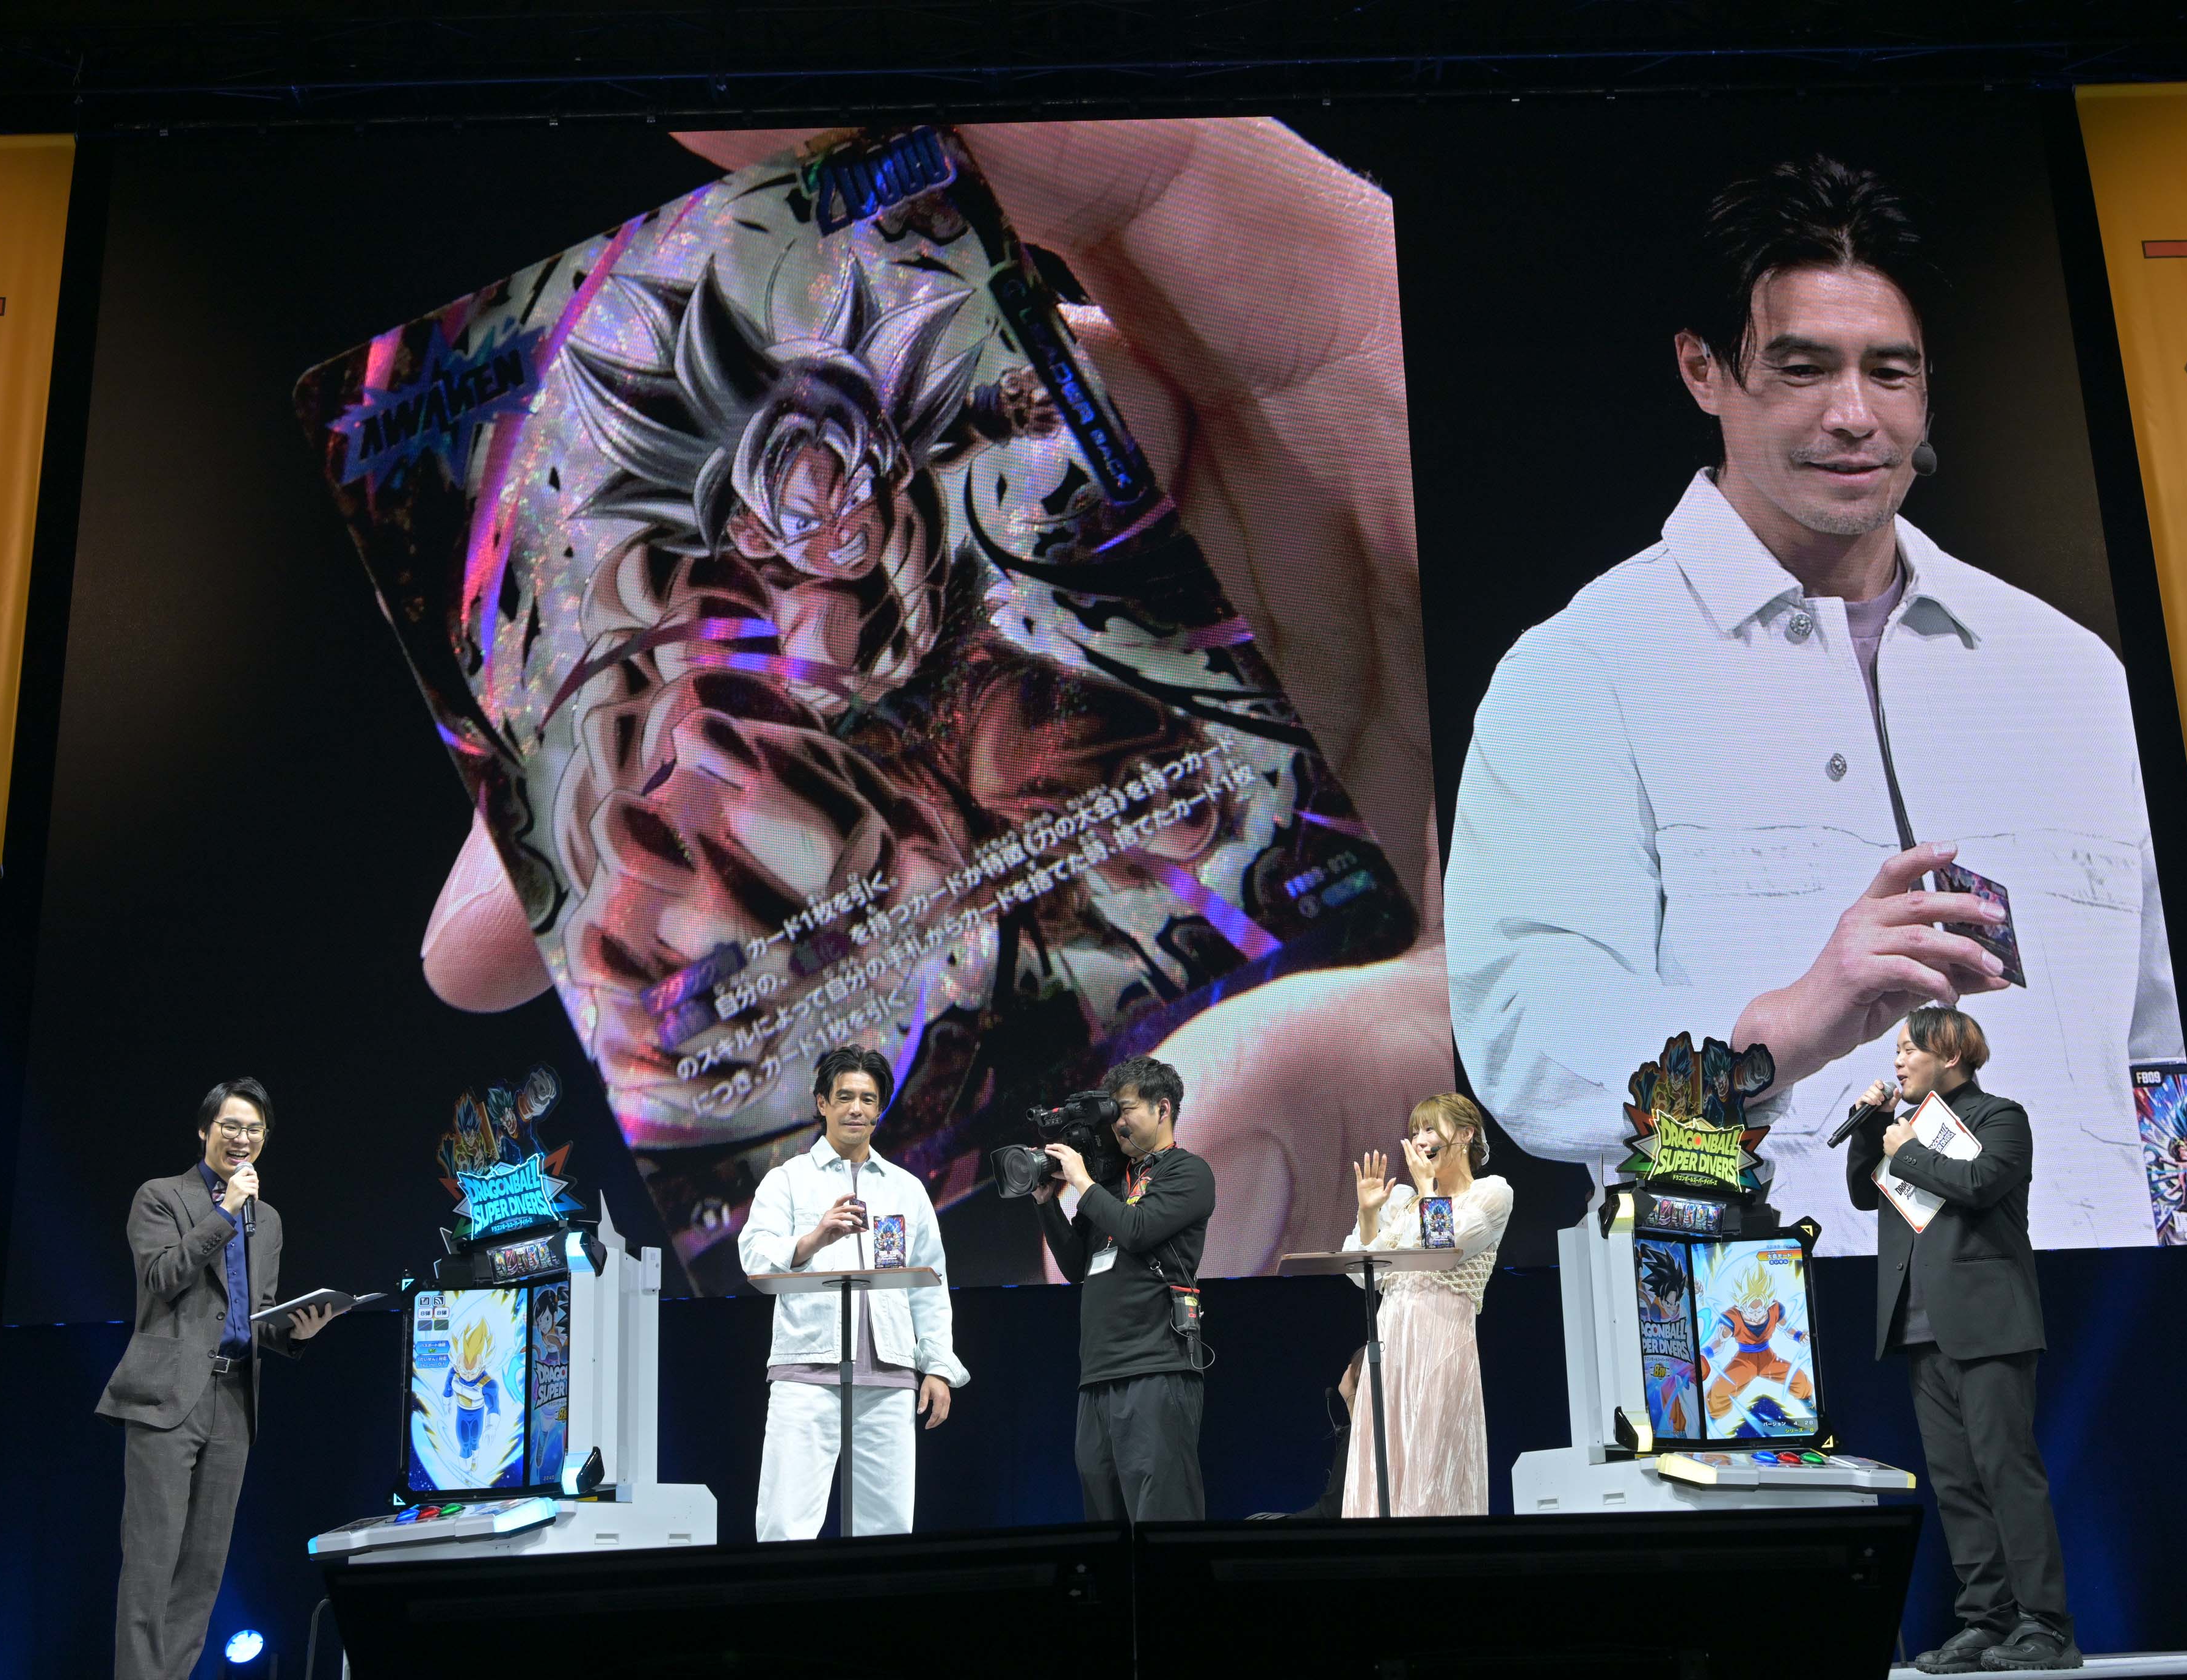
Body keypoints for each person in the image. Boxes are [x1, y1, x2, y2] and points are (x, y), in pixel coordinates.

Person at [418, 118, 1453, 1281]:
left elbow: (949, 461)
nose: (844, 521)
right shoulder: (723, 643)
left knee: (1160, 800)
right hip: (861, 792)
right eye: (806, 512)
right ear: (752, 528)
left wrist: (1000, 426)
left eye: (857, 481)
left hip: (971, 708)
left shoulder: (913, 533)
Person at [1445, 154, 2185, 1250]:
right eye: (1802, 370)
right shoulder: (1583, 671)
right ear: (1701, 369)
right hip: (1769, 1303)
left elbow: (2158, 1044)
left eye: (1890, 372)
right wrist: (1780, 1032)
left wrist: (2181, 1263)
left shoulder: (2068, 671)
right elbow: (1526, 1045)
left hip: (2090, 1292)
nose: (1854, 416)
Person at [1847, 1007, 2077, 1674]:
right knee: (1955, 1484)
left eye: (1909, 1048)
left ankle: (2046, 1625)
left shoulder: (1999, 1118)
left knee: (2007, 1473)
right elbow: (1865, 1195)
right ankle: (1988, 1619)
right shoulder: (1903, 1125)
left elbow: (1978, 1184)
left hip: (1988, 1325)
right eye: (1895, 1050)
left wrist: (1905, 1150)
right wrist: (1870, 1130)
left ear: (1949, 1054)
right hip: (1921, 1330)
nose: (1898, 1060)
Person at [97, 1078, 340, 1680]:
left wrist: (296, 1332)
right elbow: (163, 1277)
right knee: (152, 1560)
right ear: (205, 1130)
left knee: (204, 1569)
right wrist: (225, 1210)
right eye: (231, 1126)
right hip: (167, 1398)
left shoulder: (269, 1219)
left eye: (255, 1130)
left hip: (234, 1401)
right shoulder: (161, 1196)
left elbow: (257, 1310)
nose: (243, 1139)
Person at [738, 1045, 968, 1540]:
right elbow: (754, 1257)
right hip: (807, 1370)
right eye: (844, 1097)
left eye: (868, 1099)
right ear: (822, 1102)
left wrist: (937, 1367)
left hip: (888, 1376)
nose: (856, 1109)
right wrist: (815, 1238)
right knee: (785, 1524)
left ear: (880, 1109)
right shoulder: (788, 1181)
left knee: (887, 1527)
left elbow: (930, 1286)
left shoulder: (905, 1189)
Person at [1033, 1052, 1216, 1521]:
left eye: (1127, 1109)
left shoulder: (1189, 1173)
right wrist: (1046, 1202)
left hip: (1157, 1368)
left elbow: (1137, 1230)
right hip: (1097, 1375)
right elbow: (1075, 1266)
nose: (1116, 1123)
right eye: (1112, 1110)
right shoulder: (1113, 1183)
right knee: (1104, 1522)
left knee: (1162, 1517)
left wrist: (1082, 1181)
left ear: (1163, 1108)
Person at [1341, 1093, 1514, 1516]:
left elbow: (1441, 1245)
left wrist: (1427, 1190)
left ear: (1466, 1135)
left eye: (1431, 1129)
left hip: (1442, 1346)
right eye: (1415, 1131)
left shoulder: (1489, 1195)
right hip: (1391, 1347)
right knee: (1383, 1466)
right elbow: (1364, 1274)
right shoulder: (1401, 1202)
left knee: (1434, 1463)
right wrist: (1368, 1214)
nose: (1420, 1140)